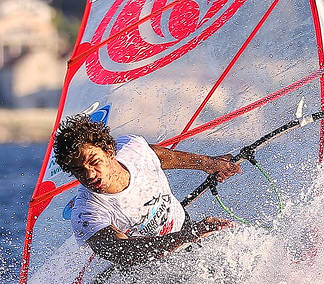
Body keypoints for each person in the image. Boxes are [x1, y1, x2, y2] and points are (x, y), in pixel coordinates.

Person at [52, 114, 241, 266]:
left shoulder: (133, 148)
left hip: (185, 227)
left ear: (109, 151)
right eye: (79, 170)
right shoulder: (86, 213)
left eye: (94, 162)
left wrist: (208, 163)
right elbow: (123, 252)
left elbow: (162, 157)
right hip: (152, 270)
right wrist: (187, 236)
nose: (89, 174)